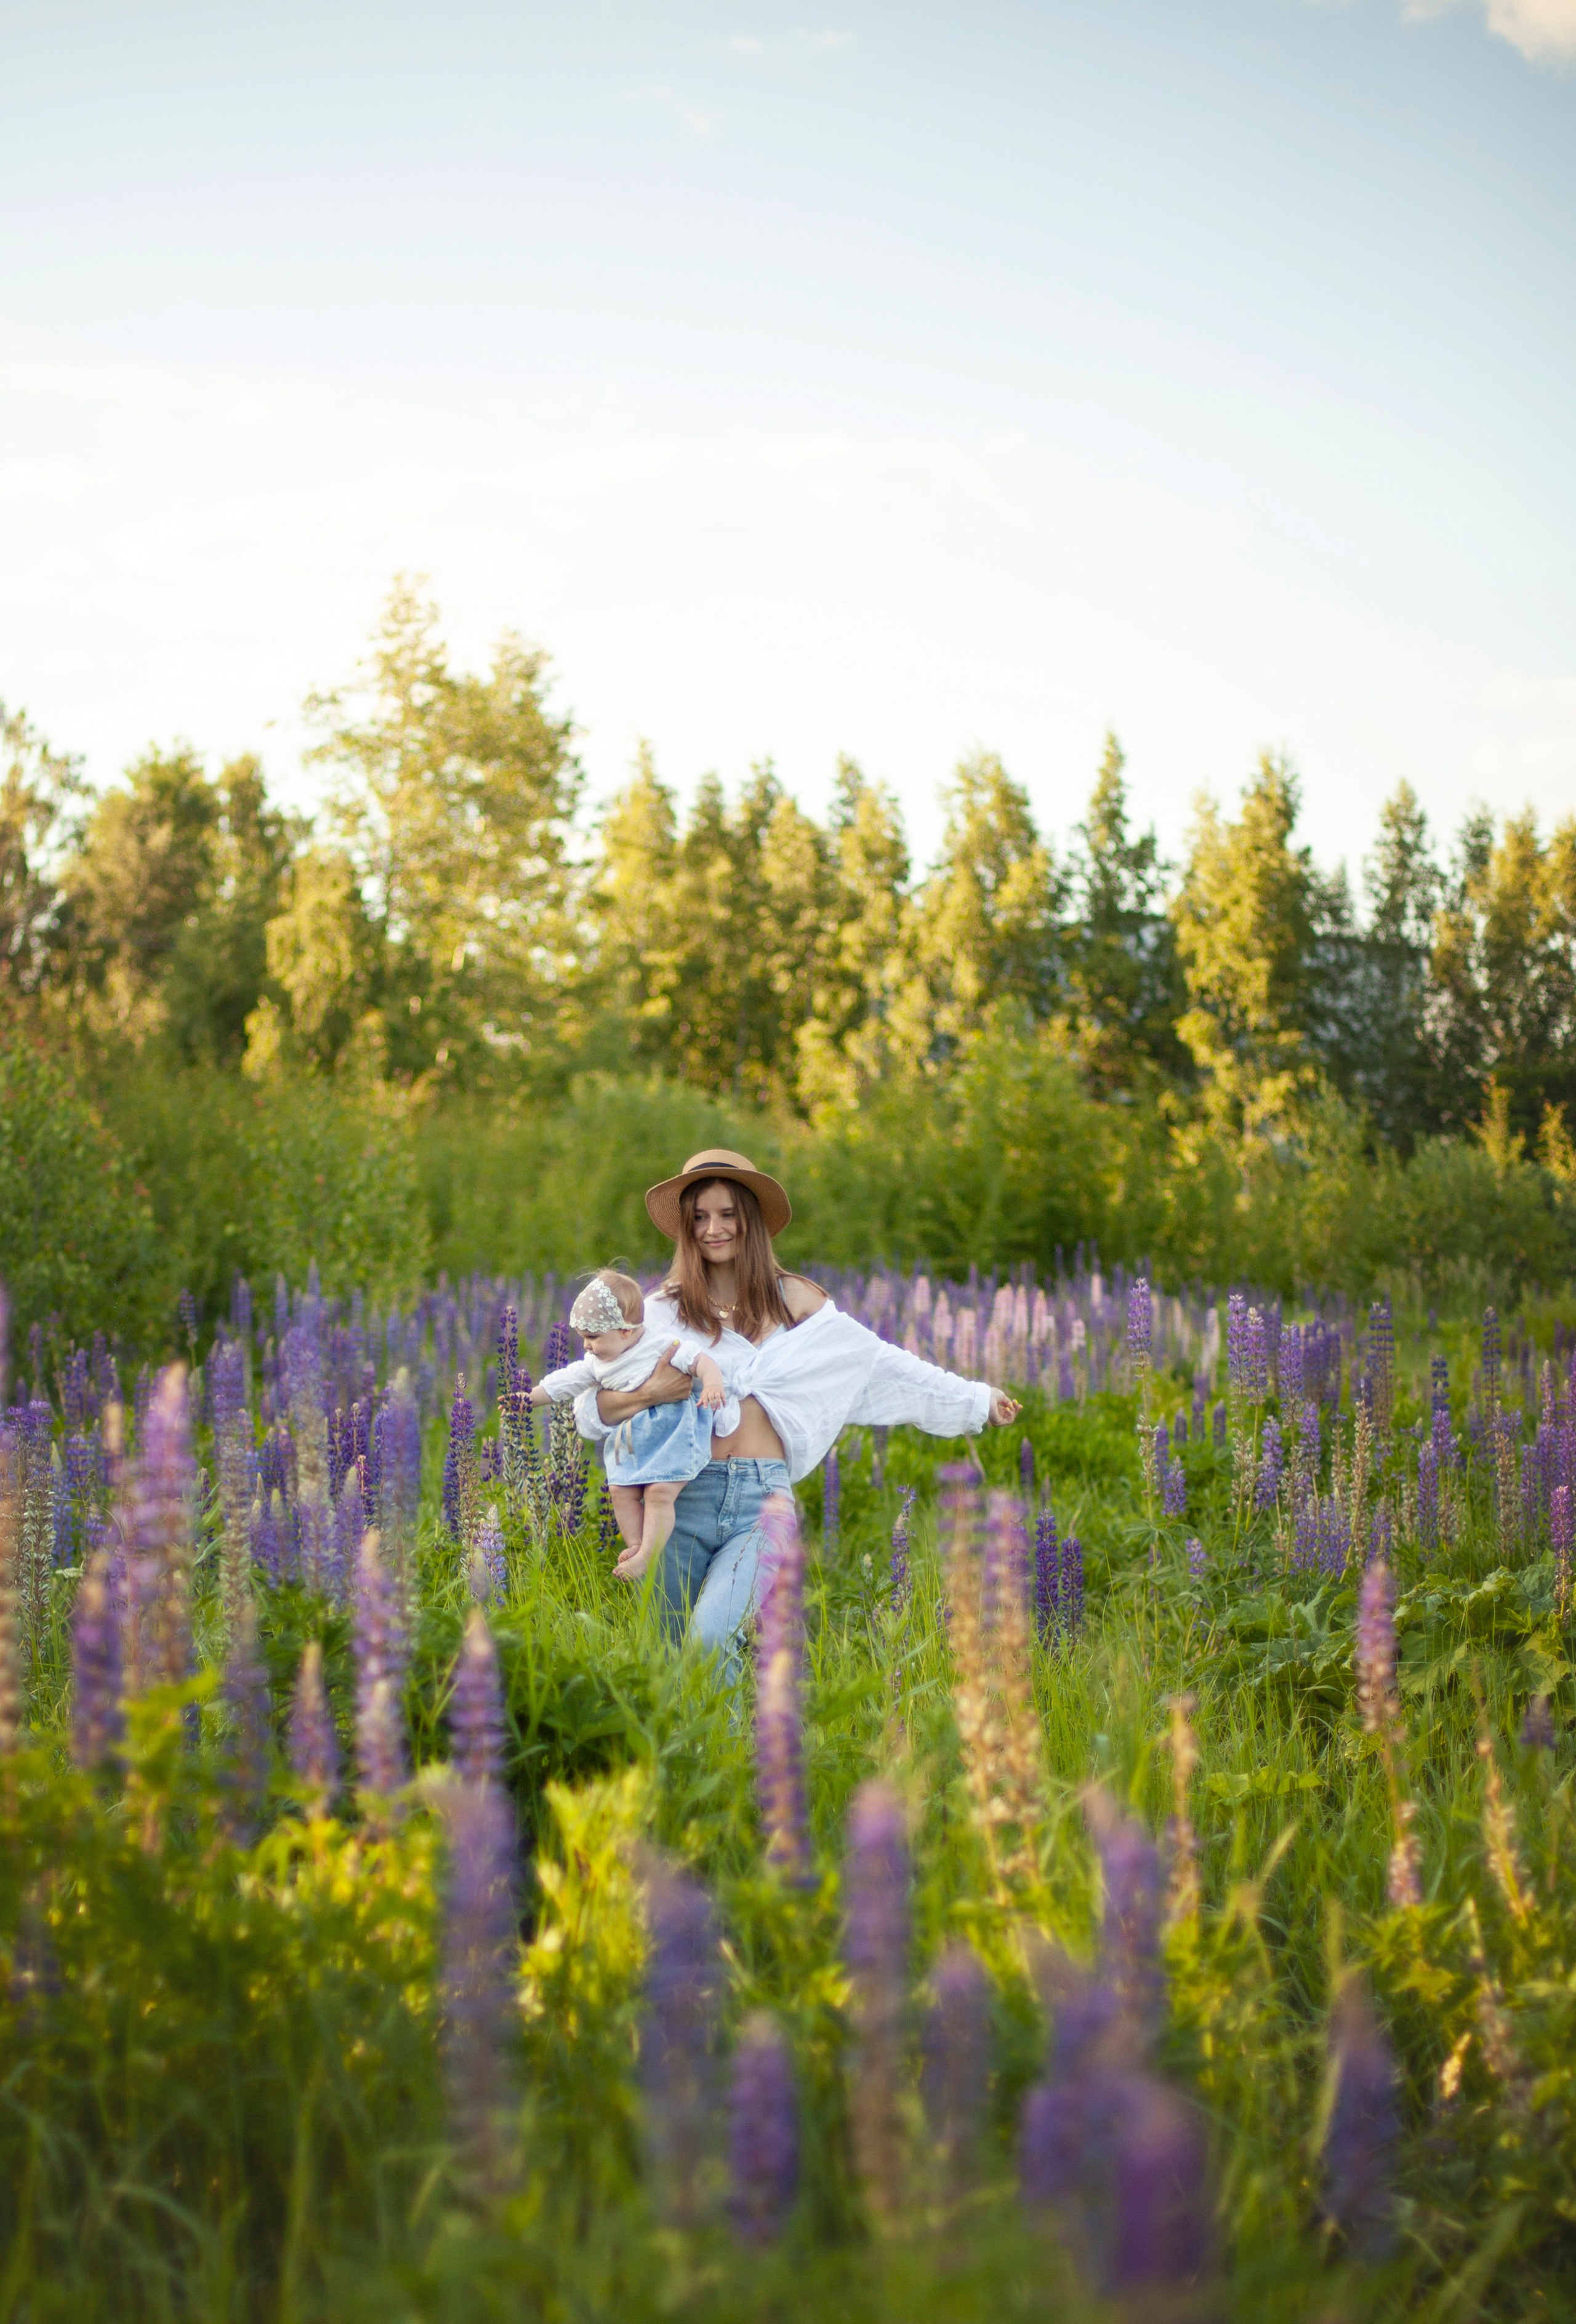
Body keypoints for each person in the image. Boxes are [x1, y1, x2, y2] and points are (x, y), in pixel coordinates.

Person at [578, 1148, 1020, 1673]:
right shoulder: (659, 1312)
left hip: (762, 1503)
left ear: (753, 1220)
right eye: (699, 1217)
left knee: (711, 1641)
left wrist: (975, 1399)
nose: (713, 1229)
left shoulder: (797, 1301)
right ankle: (706, 1757)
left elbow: (879, 1364)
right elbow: (592, 1405)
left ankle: (728, 1753)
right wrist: (652, 1394)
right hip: (676, 1499)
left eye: (727, 1214)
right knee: (667, 1658)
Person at [531, 1268, 739, 1582]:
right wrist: (529, 1398)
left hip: (672, 1436)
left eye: (593, 1337)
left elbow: (701, 1361)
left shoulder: (661, 1345)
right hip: (635, 1440)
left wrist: (711, 1384)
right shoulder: (598, 1362)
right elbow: (564, 1382)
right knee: (619, 1490)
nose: (586, 1346)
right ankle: (637, 1546)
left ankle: (647, 1556)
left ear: (626, 1331)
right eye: (584, 1338)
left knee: (658, 1494)